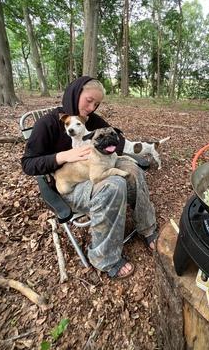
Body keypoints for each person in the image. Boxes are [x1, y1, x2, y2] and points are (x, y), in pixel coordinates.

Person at [21, 76, 157, 279]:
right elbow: (28, 163)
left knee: (133, 168)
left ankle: (146, 227)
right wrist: (64, 156)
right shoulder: (47, 124)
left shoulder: (90, 120)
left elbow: (116, 137)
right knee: (115, 183)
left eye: (97, 104)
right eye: (89, 100)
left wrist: (114, 141)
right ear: (75, 93)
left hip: (99, 165)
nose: (92, 107)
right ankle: (104, 257)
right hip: (71, 186)